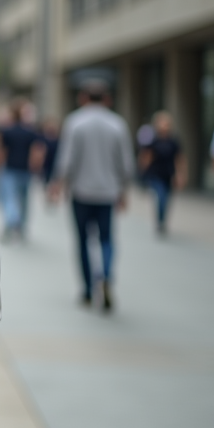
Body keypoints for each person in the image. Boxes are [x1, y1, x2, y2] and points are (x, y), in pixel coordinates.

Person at [51, 81, 135, 311]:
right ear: (106, 99)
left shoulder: (75, 122)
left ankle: (88, 289)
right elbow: (126, 164)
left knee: (83, 241)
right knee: (106, 239)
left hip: (81, 192)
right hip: (108, 192)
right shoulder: (118, 124)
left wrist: (58, 183)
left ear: (84, 98)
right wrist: (123, 189)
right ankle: (105, 274)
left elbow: (66, 159)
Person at [0, 98, 43, 239]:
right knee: (24, 200)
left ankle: (12, 221)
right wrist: (36, 166)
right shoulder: (31, 132)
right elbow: (38, 151)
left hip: (10, 169)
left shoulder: (7, 131)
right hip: (25, 170)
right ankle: (20, 226)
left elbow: (2, 151)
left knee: (9, 197)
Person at [139, 111, 186, 235]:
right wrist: (143, 173)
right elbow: (146, 157)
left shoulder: (173, 141)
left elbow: (179, 158)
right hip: (156, 174)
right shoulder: (153, 140)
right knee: (161, 197)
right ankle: (159, 222)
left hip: (168, 174)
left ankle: (162, 220)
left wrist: (180, 174)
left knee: (166, 200)